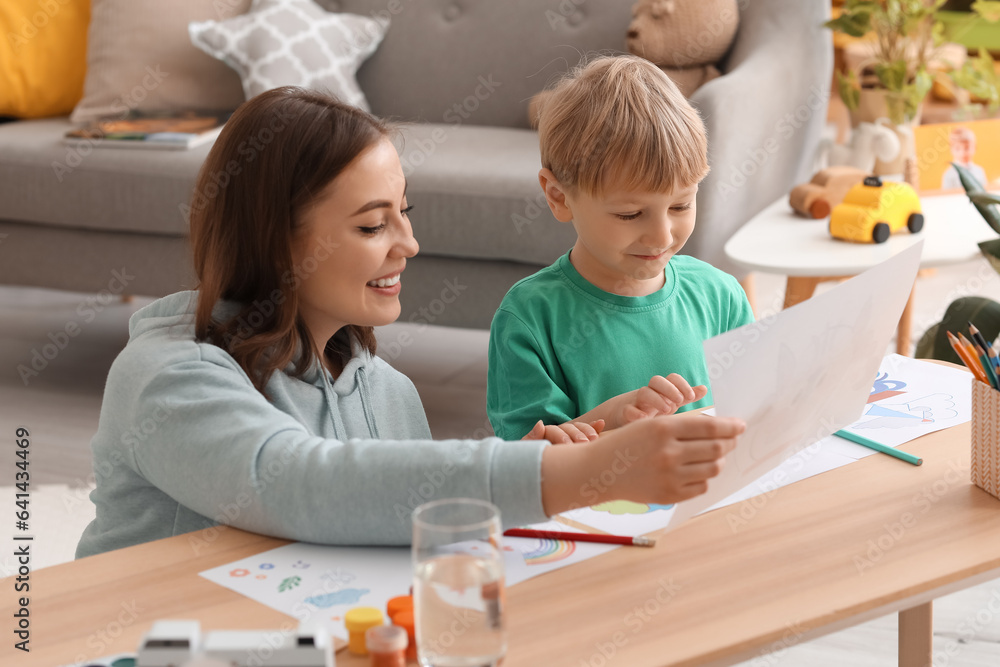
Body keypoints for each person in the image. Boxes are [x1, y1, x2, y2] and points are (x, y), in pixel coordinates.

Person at [74, 86, 745, 559]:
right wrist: (585, 470)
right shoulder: (169, 377)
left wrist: (556, 454)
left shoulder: (386, 392)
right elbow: (300, 485)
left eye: (405, 212)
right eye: (373, 224)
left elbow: (405, 523)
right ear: (277, 240)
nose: (409, 244)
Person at [487, 56, 754, 441]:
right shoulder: (530, 319)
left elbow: (755, 414)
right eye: (630, 214)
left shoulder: (721, 296)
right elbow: (527, 463)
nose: (662, 237)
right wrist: (612, 421)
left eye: (681, 206)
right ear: (559, 197)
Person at [941, 126, 987, 191]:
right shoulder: (949, 174)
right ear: (951, 149)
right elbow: (946, 195)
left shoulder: (979, 171)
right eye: (957, 149)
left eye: (967, 148)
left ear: (975, 147)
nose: (962, 153)